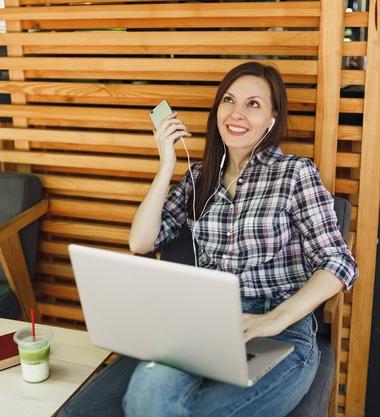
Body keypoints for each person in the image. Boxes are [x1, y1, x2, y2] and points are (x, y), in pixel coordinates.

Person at [127, 61, 358, 417]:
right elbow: (141, 242)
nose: (236, 113)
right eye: (229, 101)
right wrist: (165, 165)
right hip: (205, 323)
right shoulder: (199, 177)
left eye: (253, 104)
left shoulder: (294, 173)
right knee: (149, 399)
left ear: (271, 118)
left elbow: (339, 262)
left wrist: (275, 319)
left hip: (278, 332)